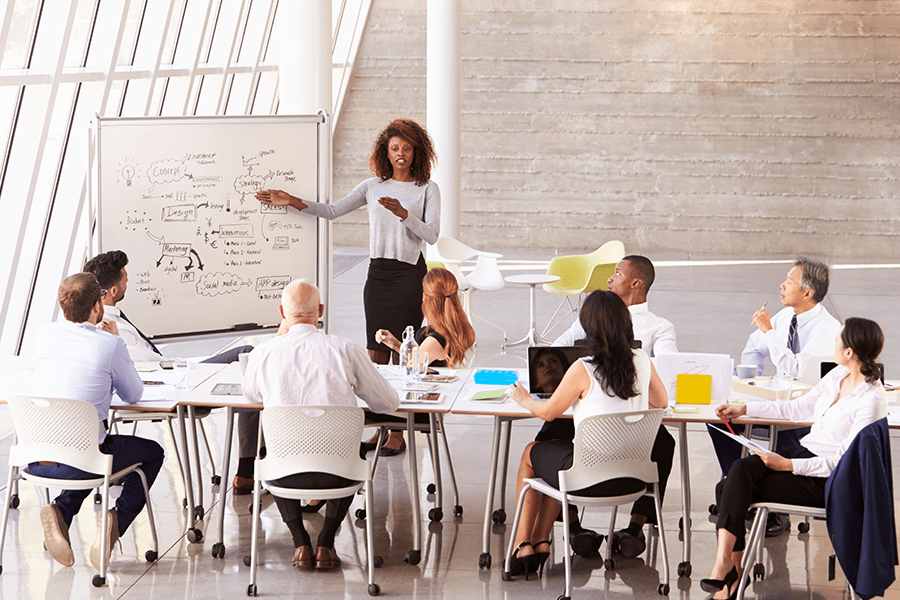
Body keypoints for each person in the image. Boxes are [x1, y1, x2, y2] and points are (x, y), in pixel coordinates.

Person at [702, 317, 885, 600]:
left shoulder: (871, 400)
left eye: (838, 339)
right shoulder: (838, 375)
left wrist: (788, 465)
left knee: (731, 485)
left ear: (849, 351)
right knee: (736, 474)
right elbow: (798, 409)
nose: (834, 343)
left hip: (828, 482)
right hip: (804, 455)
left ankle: (729, 573)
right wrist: (745, 407)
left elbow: (842, 462)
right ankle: (727, 569)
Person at [504, 290, 668, 577]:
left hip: (585, 481)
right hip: (631, 480)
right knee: (559, 450)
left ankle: (522, 544)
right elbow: (661, 403)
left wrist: (523, 398)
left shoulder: (584, 368)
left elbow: (548, 412)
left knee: (533, 452)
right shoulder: (641, 359)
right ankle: (541, 540)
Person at [241, 279, 399, 570]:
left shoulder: (263, 353)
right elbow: (387, 403)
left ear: (281, 312)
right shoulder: (345, 349)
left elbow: (251, 396)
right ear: (321, 310)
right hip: (341, 474)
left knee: (277, 451)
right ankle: (325, 542)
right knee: (353, 452)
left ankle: (301, 543)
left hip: (282, 474)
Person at [256, 118, 440, 366]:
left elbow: (432, 235)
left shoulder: (427, 188)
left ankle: (401, 403)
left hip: (409, 278)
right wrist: (291, 200)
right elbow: (332, 210)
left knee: (402, 350)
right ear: (385, 152)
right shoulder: (372, 186)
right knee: (375, 349)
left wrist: (404, 214)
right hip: (378, 278)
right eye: (395, 148)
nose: (401, 154)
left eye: (407, 148)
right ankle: (377, 404)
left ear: (417, 151)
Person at [30, 273, 165, 571]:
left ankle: (61, 512)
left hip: (37, 459)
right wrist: (114, 343)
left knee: (87, 455)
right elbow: (134, 394)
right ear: (97, 305)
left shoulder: (43, 335)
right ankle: (114, 522)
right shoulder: (108, 344)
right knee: (151, 452)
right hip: (85, 460)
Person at [547, 256, 678, 560]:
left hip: (608, 411)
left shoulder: (659, 327)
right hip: (588, 406)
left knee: (663, 442)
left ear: (636, 283)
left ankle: (634, 526)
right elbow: (552, 352)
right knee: (553, 432)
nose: (609, 278)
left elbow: (669, 365)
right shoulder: (589, 319)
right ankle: (576, 526)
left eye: (617, 273)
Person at [707, 257, 841, 536]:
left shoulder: (828, 330)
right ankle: (738, 490)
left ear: (808, 293)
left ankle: (773, 508)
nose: (781, 285)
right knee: (718, 421)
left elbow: (796, 369)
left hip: (803, 411)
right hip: (775, 400)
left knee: (784, 431)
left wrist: (768, 331)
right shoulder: (784, 318)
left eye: (789, 281)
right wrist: (747, 382)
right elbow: (754, 350)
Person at [369, 266, 476, 455]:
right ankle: (382, 435)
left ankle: (383, 437)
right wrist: (395, 343)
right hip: (434, 402)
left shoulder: (435, 339)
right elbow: (421, 357)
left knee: (365, 404)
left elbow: (412, 364)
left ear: (428, 299)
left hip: (419, 408)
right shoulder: (459, 328)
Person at [83, 250, 253, 363]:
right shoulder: (113, 328)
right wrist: (187, 364)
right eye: (124, 278)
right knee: (247, 353)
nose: (127, 281)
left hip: (172, 373)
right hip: (174, 381)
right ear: (113, 290)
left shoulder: (107, 322)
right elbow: (152, 364)